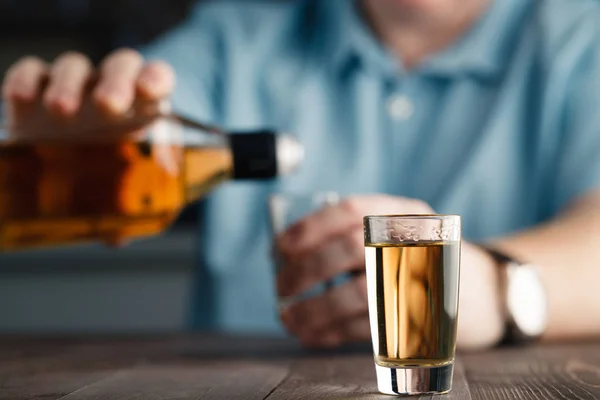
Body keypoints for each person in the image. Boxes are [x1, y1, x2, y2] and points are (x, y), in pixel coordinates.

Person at [3, 0, 600, 350]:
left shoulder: (582, 37)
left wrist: (495, 289)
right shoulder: (234, 37)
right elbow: (138, 121)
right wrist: (73, 128)